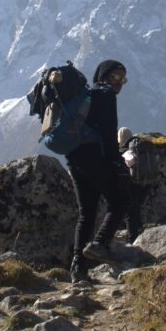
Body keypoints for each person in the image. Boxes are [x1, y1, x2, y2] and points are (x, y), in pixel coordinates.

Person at [66, 59, 130, 283]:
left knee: (87, 213)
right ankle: (100, 244)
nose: (119, 83)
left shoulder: (85, 96)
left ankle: (78, 270)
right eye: (115, 77)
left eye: (123, 79)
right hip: (94, 157)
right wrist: (118, 164)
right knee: (120, 202)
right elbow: (108, 132)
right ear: (103, 77)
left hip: (74, 158)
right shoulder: (105, 96)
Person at [118, 126, 145, 244]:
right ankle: (140, 229)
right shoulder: (138, 147)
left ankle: (132, 239)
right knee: (137, 206)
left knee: (129, 212)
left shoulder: (122, 151)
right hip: (143, 182)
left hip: (130, 183)